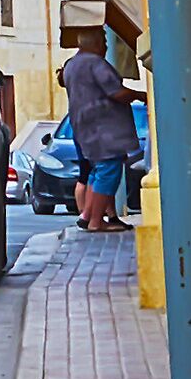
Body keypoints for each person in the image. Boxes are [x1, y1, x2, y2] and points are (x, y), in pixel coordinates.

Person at [59, 23, 143, 232]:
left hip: (84, 127)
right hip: (104, 129)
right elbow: (116, 93)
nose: (106, 45)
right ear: (96, 43)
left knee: (97, 171)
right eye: (104, 41)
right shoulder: (95, 63)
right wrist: (140, 95)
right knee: (108, 171)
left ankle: (88, 215)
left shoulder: (71, 65)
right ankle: (97, 221)